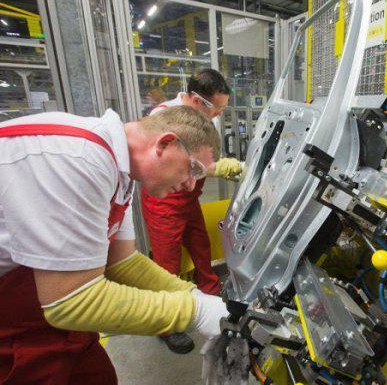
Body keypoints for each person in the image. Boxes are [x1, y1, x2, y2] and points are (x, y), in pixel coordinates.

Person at [0, 105, 228, 384]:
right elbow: (69, 302)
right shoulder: (79, 158)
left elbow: (123, 262)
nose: (192, 185)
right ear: (165, 143)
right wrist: (195, 313)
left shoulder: (120, 171)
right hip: (14, 323)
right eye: (192, 169)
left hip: (44, 305)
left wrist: (192, 295)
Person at [141, 69, 242, 354]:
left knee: (201, 246)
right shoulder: (164, 116)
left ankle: (210, 294)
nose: (219, 113)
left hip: (189, 197)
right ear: (198, 101)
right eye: (217, 107)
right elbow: (175, 164)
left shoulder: (208, 117)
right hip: (165, 198)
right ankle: (167, 323)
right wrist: (217, 168)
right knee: (167, 262)